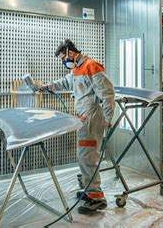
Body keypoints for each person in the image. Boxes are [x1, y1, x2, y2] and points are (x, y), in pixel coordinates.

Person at [38, 39, 115, 214]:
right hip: (83, 118)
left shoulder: (91, 66)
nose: (63, 61)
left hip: (92, 118)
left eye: (63, 58)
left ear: (70, 53)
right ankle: (90, 190)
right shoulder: (76, 70)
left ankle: (97, 198)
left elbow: (108, 93)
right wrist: (46, 86)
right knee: (84, 156)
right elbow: (64, 82)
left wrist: (108, 118)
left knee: (88, 157)